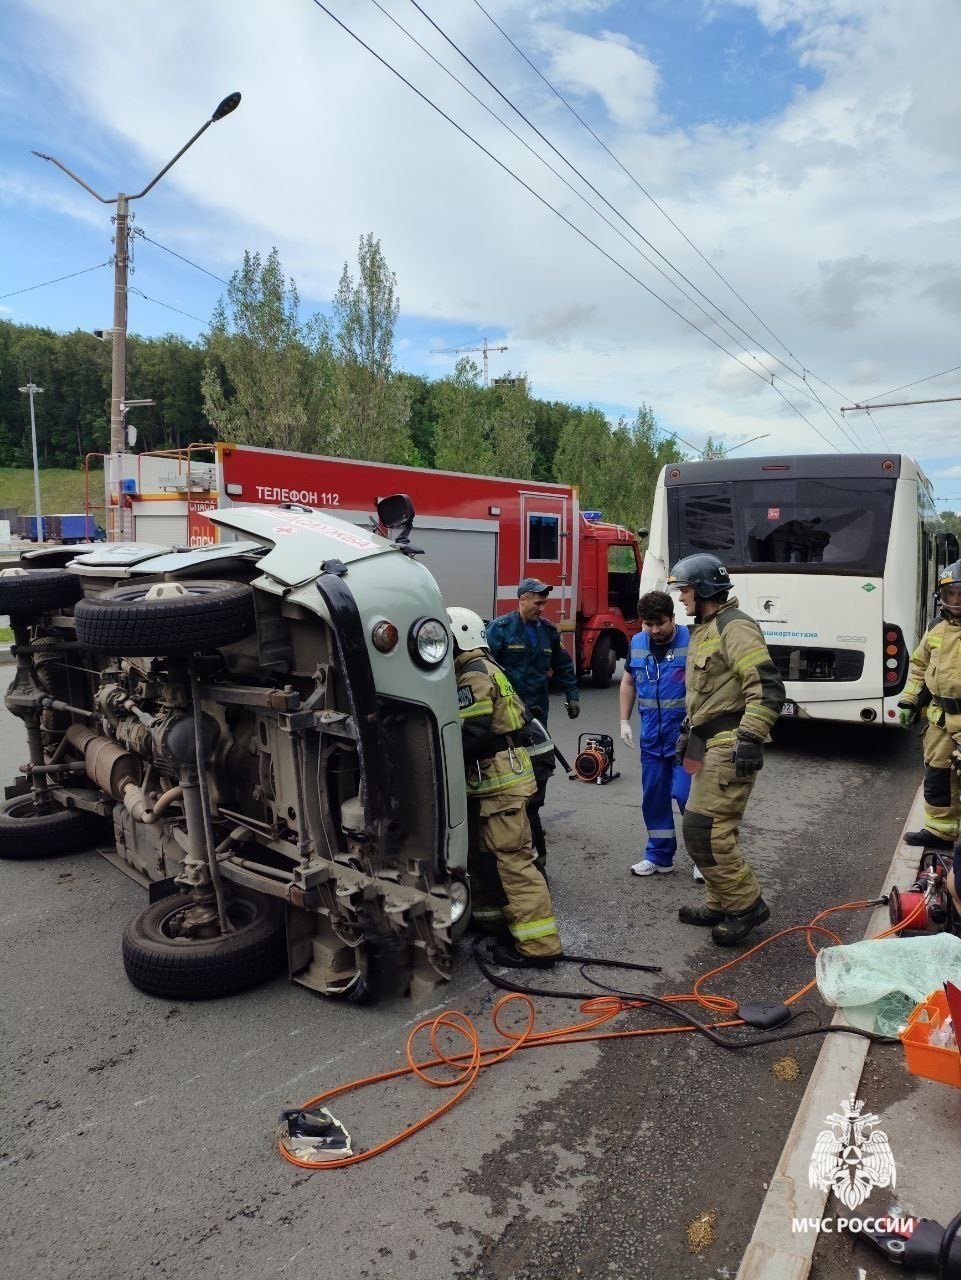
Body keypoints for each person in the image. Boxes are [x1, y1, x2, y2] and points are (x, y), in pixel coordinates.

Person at [668, 553, 785, 946]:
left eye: (684, 589)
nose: (680, 597)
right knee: (713, 829)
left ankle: (746, 905)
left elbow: (767, 689)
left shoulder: (734, 628)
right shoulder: (706, 627)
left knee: (704, 831)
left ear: (702, 589)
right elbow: (711, 692)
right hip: (709, 742)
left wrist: (750, 738)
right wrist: (690, 728)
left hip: (730, 745)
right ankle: (720, 901)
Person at [447, 606, 563, 969]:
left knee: (512, 862)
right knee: (486, 860)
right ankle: (494, 923)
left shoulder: (473, 675)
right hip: (497, 782)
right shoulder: (482, 667)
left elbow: (476, 734)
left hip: (500, 784)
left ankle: (539, 946)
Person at [486, 578, 580, 867]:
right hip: (505, 714)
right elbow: (484, 667)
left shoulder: (549, 632)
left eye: (544, 603)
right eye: (538, 602)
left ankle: (532, 812)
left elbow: (564, 666)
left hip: (537, 715)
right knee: (506, 763)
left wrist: (572, 696)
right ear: (523, 599)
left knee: (539, 763)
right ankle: (509, 817)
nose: (542, 607)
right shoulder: (499, 630)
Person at [618, 590, 702, 881]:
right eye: (648, 624)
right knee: (653, 798)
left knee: (687, 797)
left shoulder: (693, 642)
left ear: (673, 618)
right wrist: (623, 721)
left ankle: (703, 859)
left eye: (660, 624)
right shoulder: (638, 642)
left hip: (687, 739)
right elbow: (628, 681)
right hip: (652, 740)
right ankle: (658, 856)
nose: (654, 630)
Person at [897, 559, 961, 852]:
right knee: (937, 774)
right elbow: (919, 665)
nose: (957, 600)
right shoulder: (936, 627)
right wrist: (910, 699)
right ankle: (940, 831)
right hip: (940, 719)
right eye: (951, 594)